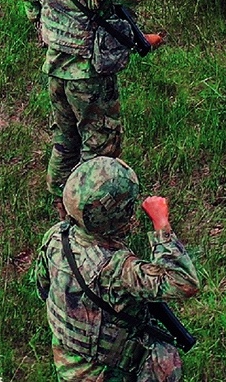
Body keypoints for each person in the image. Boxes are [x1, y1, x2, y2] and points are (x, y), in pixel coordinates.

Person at [22, 0, 163, 191]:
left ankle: (60, 196)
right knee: (99, 146)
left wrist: (46, 32)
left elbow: (29, 0)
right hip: (89, 78)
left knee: (64, 139)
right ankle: (87, 207)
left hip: (56, 68)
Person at [33, 157, 201, 382]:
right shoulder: (118, 269)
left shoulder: (57, 235)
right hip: (105, 372)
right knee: (166, 360)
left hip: (67, 361)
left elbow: (43, 288)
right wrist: (162, 225)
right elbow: (185, 282)